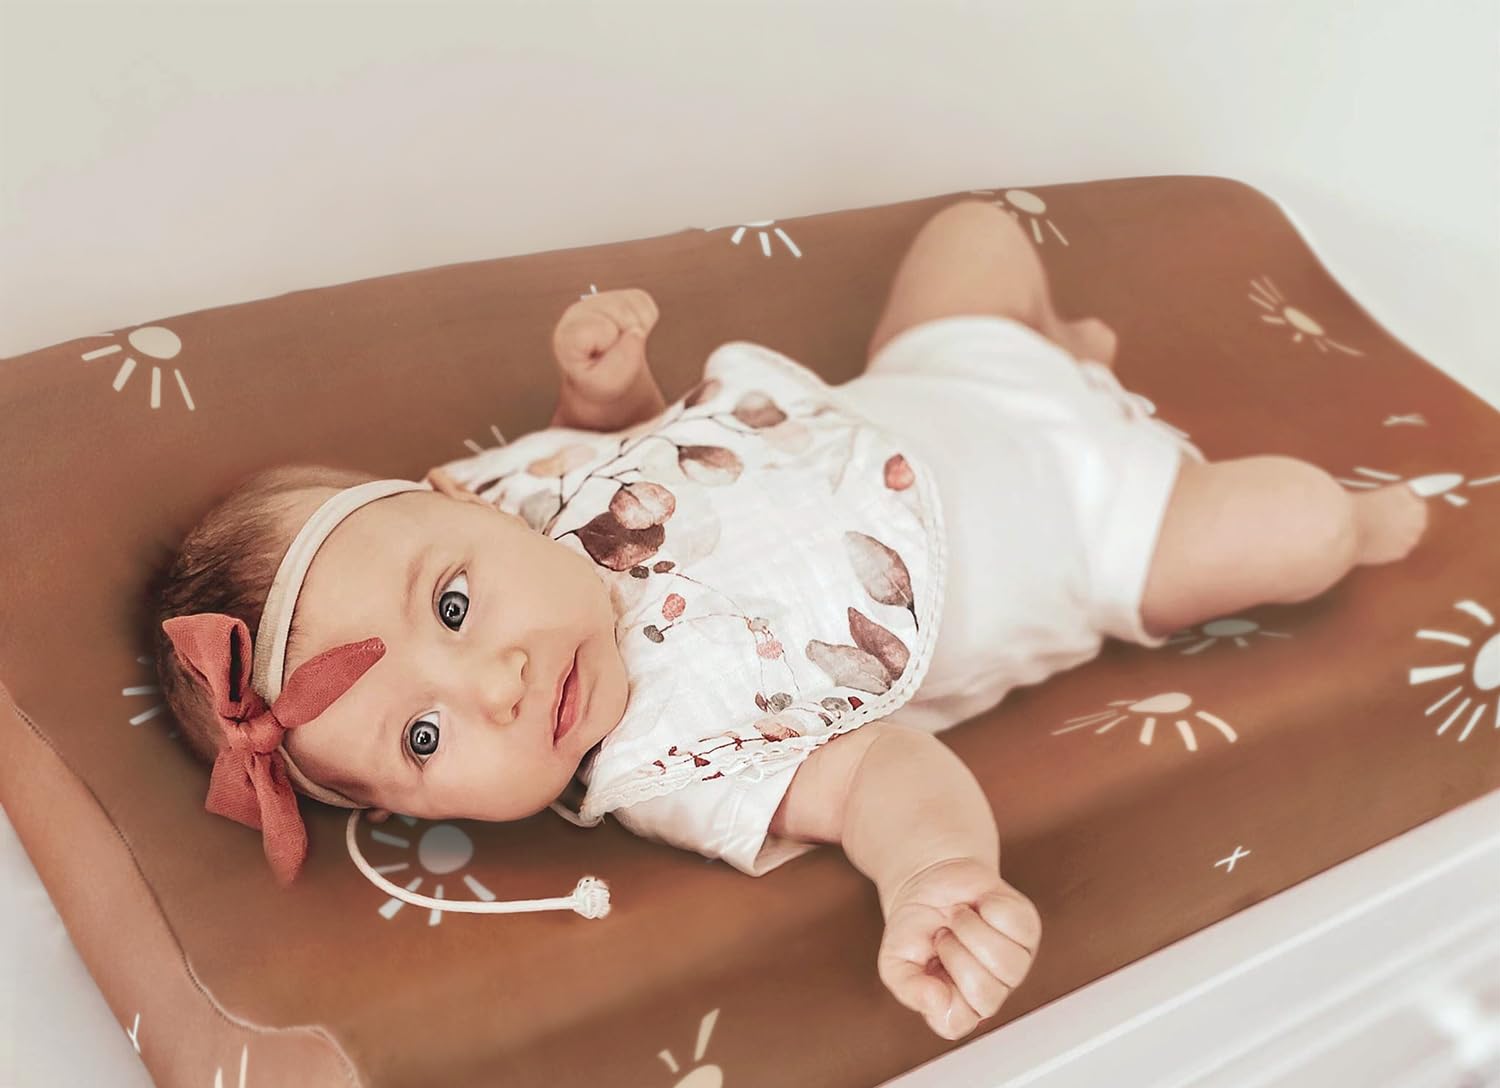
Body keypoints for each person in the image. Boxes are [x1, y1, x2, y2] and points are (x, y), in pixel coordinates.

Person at [151, 200, 1428, 1042]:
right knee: (1302, 529)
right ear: (406, 812)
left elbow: (637, 447)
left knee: (975, 231)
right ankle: (1334, 515)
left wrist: (607, 395)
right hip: (1099, 529)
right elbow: (878, 773)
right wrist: (931, 873)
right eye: (424, 740)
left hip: (937, 377)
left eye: (453, 604)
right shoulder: (671, 762)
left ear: (462, 500)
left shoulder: (522, 496)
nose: (496, 682)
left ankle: (1056, 345)